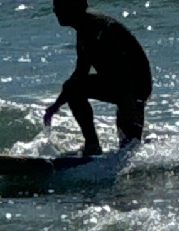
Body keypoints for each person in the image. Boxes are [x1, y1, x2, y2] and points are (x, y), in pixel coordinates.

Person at [43, 0, 152, 156]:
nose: (55, 11)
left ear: (75, 7)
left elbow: (128, 69)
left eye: (59, 7)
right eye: (55, 7)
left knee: (129, 146)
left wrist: (130, 104)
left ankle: (100, 148)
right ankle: (92, 145)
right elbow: (80, 73)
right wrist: (56, 106)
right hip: (120, 85)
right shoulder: (84, 29)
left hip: (133, 87)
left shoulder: (98, 27)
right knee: (73, 87)